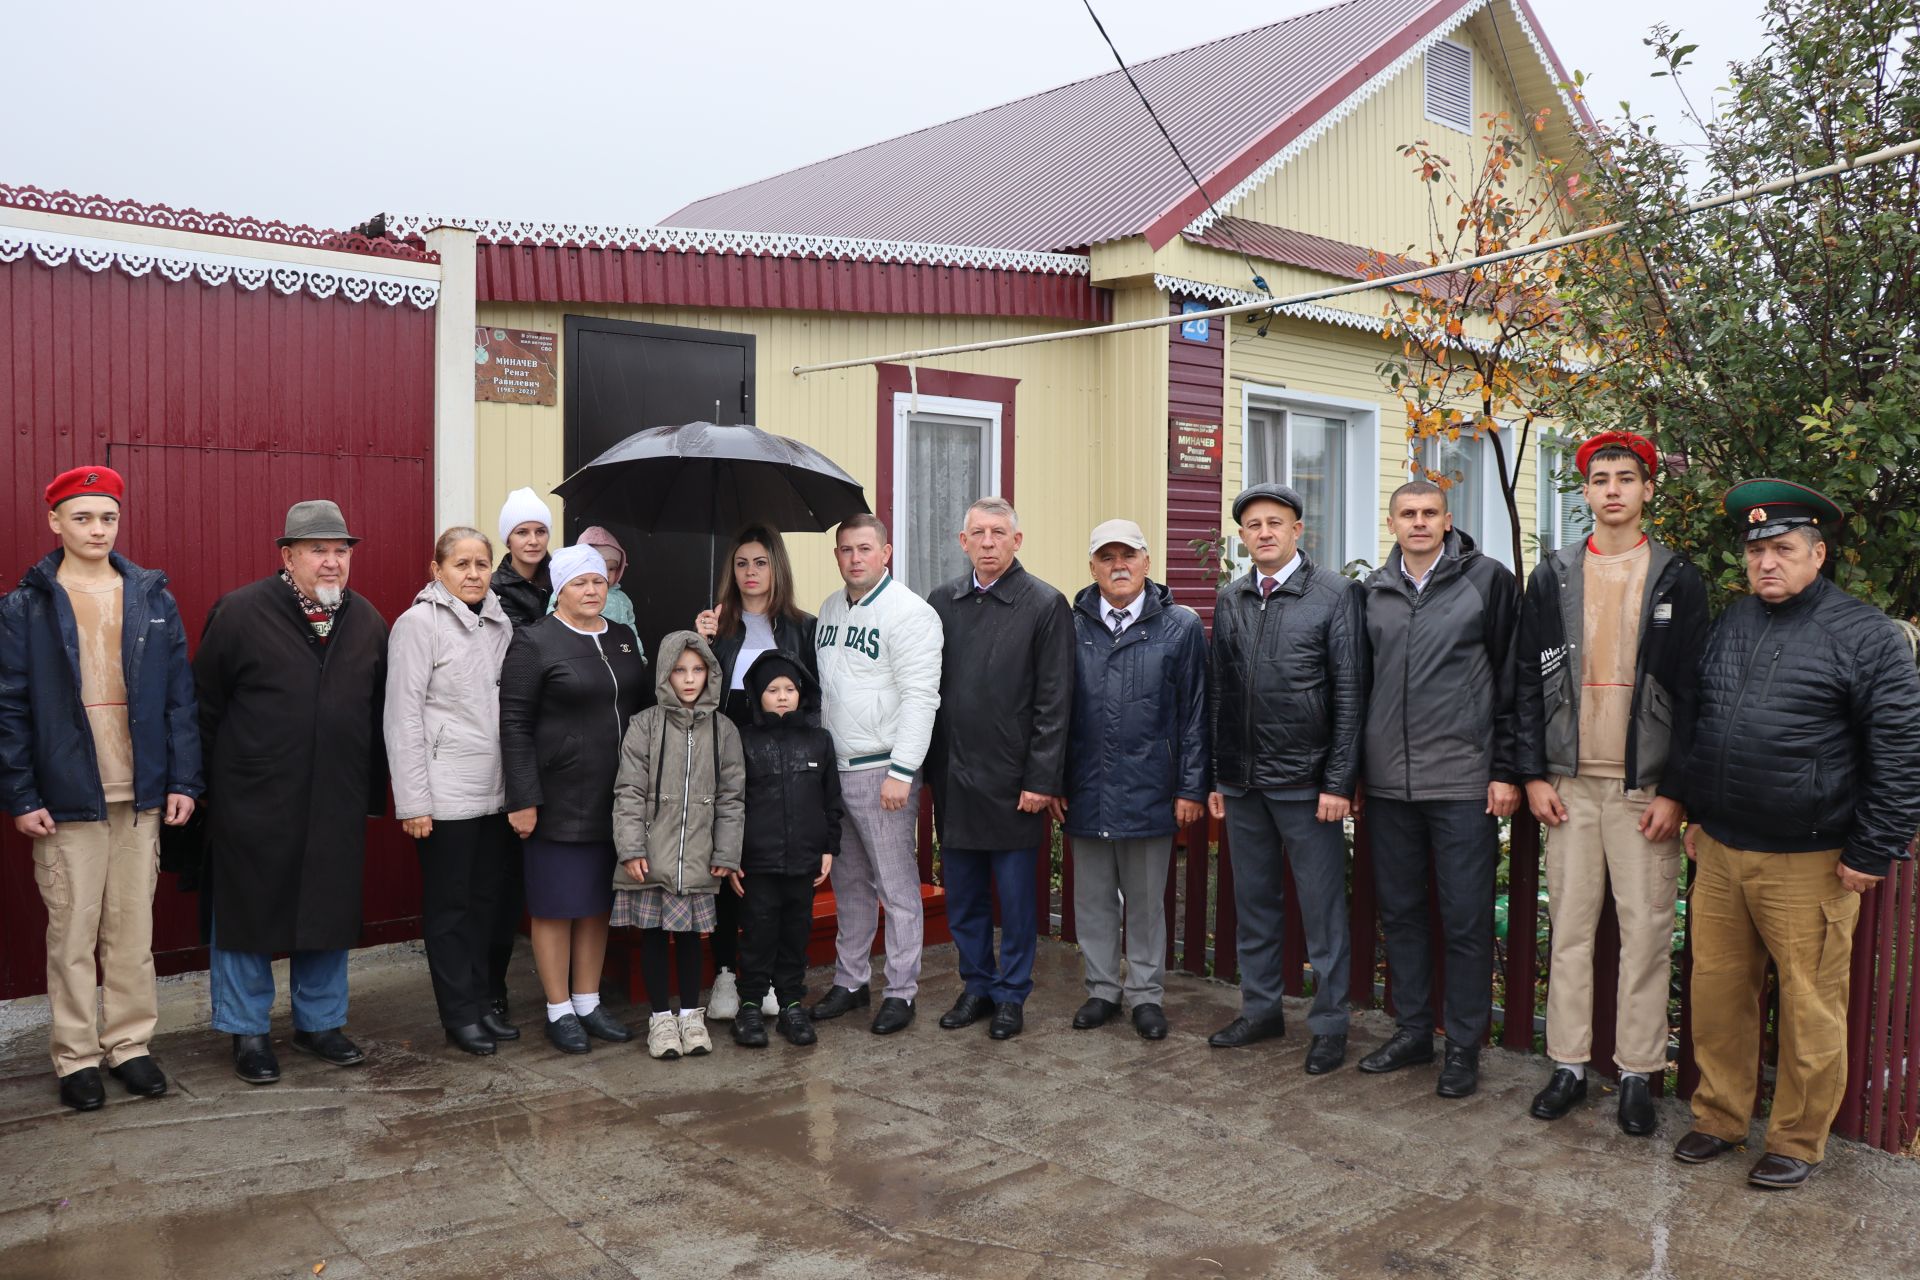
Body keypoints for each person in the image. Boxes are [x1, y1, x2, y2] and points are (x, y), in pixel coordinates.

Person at [1674, 478, 1920, 1189]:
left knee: (1811, 1007)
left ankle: (1797, 1138)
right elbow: (1705, 725)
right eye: (1756, 552)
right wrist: (1695, 813)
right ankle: (1719, 1116)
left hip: (1810, 858)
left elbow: (1900, 752)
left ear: (1818, 554)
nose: (1766, 563)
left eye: (1782, 549)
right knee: (1719, 995)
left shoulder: (1866, 636)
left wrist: (1873, 849)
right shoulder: (1733, 622)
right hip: (1721, 850)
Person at [1515, 432, 1709, 1135]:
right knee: (1567, 932)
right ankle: (1567, 1064)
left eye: (1628, 478)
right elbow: (1524, 682)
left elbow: (1692, 691)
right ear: (1587, 492)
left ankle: (1636, 1073)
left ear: (1648, 490)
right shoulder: (1555, 573)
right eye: (1601, 479)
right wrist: (1532, 773)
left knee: (1647, 933)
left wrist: (1675, 791)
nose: (1614, 490)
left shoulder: (1676, 576)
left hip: (1641, 790)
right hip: (1569, 783)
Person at [0, 466, 201, 1111]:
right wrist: (22, 793)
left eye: (107, 517)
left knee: (130, 929)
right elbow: (9, 707)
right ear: (55, 521)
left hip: (138, 792)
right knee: (73, 930)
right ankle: (76, 1055)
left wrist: (182, 778)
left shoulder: (149, 595)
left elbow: (179, 699)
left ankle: (130, 1045)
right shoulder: (27, 604)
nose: (96, 529)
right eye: (82, 517)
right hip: (66, 798)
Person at [194, 500, 388, 1085]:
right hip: (252, 796)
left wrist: (372, 792)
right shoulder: (239, 613)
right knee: (245, 913)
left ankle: (320, 1023)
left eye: (341, 551)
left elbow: (380, 713)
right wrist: (203, 790)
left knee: (327, 910)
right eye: (318, 551)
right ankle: (247, 1030)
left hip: (335, 795)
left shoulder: (368, 621)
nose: (332, 563)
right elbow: (205, 705)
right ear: (288, 556)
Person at [1356, 482, 1520, 1098]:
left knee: (1465, 919)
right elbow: (1358, 684)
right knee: (1400, 914)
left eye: (1429, 514)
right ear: (1392, 521)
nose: (1419, 523)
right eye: (1407, 514)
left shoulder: (1487, 581)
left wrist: (1504, 770)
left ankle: (1464, 1047)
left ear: (1448, 521)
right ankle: (1413, 1030)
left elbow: (1512, 680)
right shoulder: (1374, 590)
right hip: (1389, 785)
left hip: (1461, 781)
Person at [1206, 483, 1366, 1072]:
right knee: (1254, 903)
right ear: (1243, 537)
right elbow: (1219, 691)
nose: (1265, 533)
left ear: (1299, 531)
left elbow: (1350, 691)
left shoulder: (1335, 594)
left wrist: (1338, 781)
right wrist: (1218, 777)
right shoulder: (1233, 598)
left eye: (1276, 523)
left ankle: (1329, 1025)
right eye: (1253, 525)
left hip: (1307, 784)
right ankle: (1261, 1009)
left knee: (1322, 909)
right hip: (1244, 783)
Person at [926, 497, 1074, 1042]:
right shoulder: (941, 601)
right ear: (962, 542)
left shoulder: (1044, 604)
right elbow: (924, 689)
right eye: (977, 534)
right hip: (956, 777)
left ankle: (1012, 994)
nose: (988, 542)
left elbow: (1055, 700)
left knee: (1015, 902)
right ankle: (976, 986)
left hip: (1015, 783)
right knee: (964, 898)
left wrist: (1042, 778)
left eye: (998, 533)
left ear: (1017, 540)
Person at [499, 544, 650, 1055]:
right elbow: (514, 724)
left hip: (617, 797)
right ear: (559, 589)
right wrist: (523, 798)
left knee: (594, 906)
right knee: (555, 905)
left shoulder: (624, 638)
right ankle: (558, 1009)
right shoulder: (535, 642)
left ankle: (588, 1001)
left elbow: (646, 707)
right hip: (557, 795)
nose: (591, 590)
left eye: (599, 581)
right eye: (579, 582)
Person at [1060, 519, 1207, 1042]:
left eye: (1129, 555)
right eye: (1107, 556)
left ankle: (1146, 995)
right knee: (1093, 899)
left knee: (1146, 901)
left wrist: (1191, 787)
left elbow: (1195, 714)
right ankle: (1102, 989)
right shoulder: (1071, 624)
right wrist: (1054, 780)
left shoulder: (1180, 626)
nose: (1118, 565)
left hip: (1152, 787)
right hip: (1086, 784)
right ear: (1092, 566)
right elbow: (1054, 710)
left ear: (1147, 561)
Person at [384, 527, 520, 1056]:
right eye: (461, 564)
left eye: (481, 564)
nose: (472, 573)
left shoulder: (499, 621)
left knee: (486, 904)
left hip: (495, 794)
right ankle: (459, 1014)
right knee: (450, 909)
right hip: (444, 798)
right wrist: (413, 801)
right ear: (436, 570)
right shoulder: (419, 625)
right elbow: (403, 717)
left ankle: (484, 1001)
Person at [809, 514, 944, 1035]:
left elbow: (920, 697)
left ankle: (902, 990)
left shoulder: (911, 614)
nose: (855, 558)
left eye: (865, 548)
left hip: (882, 768)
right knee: (849, 885)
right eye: (845, 549)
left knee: (897, 886)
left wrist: (903, 770)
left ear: (885, 552)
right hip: (835, 769)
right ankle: (850, 980)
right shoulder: (829, 608)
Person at [692, 523, 818, 1020]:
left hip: (779, 766)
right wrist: (699, 642)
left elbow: (810, 702)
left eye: (760, 562)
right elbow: (696, 696)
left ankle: (763, 979)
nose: (750, 572)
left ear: (776, 567)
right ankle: (725, 975)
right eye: (741, 563)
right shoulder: (716, 626)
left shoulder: (800, 627)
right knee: (729, 865)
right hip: (727, 760)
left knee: (767, 872)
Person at [611, 632, 746, 1060]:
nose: (689, 679)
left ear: (710, 673)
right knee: (653, 936)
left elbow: (731, 796)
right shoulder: (645, 724)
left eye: (698, 670)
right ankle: (660, 1019)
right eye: (680, 670)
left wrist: (726, 851)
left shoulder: (723, 730)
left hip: (699, 855)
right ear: (666, 673)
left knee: (690, 938)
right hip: (653, 854)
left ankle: (690, 1014)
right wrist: (631, 848)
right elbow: (629, 790)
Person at [730, 652, 842, 1048]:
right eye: (773, 690)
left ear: (801, 694)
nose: (782, 697)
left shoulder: (819, 740)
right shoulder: (742, 740)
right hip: (756, 863)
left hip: (804, 862)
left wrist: (829, 847)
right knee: (757, 934)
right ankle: (749, 1007)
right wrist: (730, 859)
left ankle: (792, 1003)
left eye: (789, 689)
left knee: (796, 933)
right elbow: (731, 802)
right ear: (758, 695)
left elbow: (832, 800)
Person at [546, 526, 635, 629]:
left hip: (617, 643)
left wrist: (635, 644)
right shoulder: (562, 592)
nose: (606, 574)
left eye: (612, 569)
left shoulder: (622, 598)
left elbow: (631, 626)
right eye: (601, 568)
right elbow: (552, 621)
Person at [491, 486, 554, 628]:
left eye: (540, 532)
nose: (533, 541)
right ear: (508, 540)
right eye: (522, 532)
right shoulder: (493, 589)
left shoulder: (563, 581)